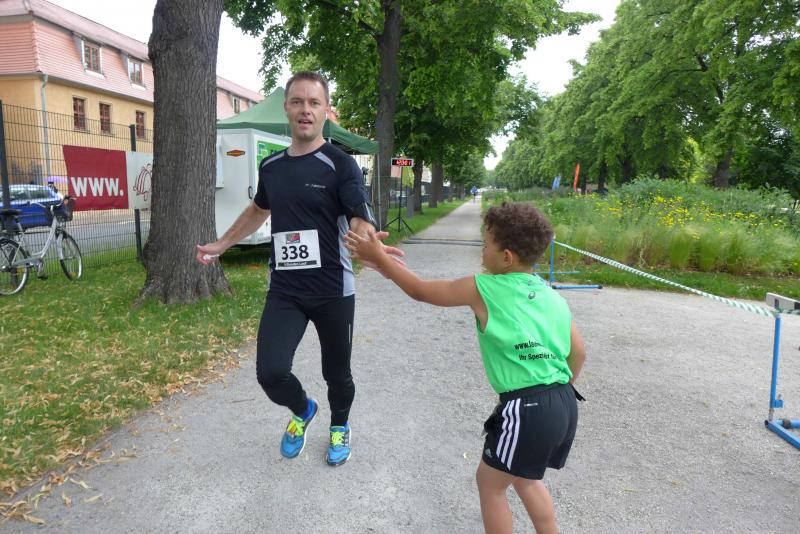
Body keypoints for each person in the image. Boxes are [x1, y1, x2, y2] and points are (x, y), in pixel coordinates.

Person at [197, 71, 402, 467]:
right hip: (286, 291)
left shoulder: (340, 165)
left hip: (332, 290)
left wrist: (370, 244)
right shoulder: (272, 167)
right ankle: (303, 410)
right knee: (271, 373)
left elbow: (359, 215)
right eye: (297, 102)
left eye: (314, 102)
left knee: (336, 373)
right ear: (287, 109)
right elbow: (258, 210)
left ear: (326, 111)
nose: (305, 110)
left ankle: (339, 425)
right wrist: (223, 243)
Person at [344, 201, 586, 534]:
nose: (482, 251)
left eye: (486, 245)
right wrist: (555, 392)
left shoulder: (484, 288)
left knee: (490, 484)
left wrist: (380, 257)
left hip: (526, 408)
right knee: (524, 478)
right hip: (564, 402)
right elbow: (579, 353)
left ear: (506, 257)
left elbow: (420, 291)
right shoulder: (552, 297)